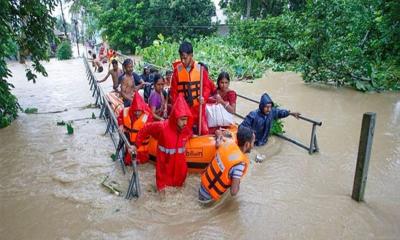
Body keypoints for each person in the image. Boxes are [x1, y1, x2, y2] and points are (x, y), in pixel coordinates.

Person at [134, 95, 193, 192]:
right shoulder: (162, 127)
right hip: (164, 174)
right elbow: (145, 129)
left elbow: (189, 134)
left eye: (186, 119)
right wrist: (136, 145)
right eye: (182, 119)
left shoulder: (185, 130)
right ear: (175, 117)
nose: (185, 122)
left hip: (179, 174)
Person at [198, 126, 255, 204]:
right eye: (253, 142)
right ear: (247, 144)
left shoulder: (228, 143)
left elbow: (218, 144)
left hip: (202, 186)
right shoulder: (240, 165)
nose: (253, 146)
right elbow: (233, 192)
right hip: (208, 198)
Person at [170, 41, 214, 135]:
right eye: (181, 58)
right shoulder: (177, 71)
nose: (183, 61)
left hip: (198, 109)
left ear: (191, 55)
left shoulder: (200, 69)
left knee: (204, 131)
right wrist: (178, 108)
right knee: (185, 133)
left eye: (185, 58)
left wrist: (204, 97)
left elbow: (206, 87)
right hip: (184, 110)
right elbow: (174, 92)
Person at [118, 91, 153, 165]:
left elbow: (144, 133)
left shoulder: (148, 117)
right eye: (135, 111)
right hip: (130, 148)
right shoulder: (126, 111)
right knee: (127, 163)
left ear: (142, 109)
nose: (137, 113)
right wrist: (121, 124)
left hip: (142, 151)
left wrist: (136, 146)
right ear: (132, 109)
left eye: (139, 111)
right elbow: (120, 117)